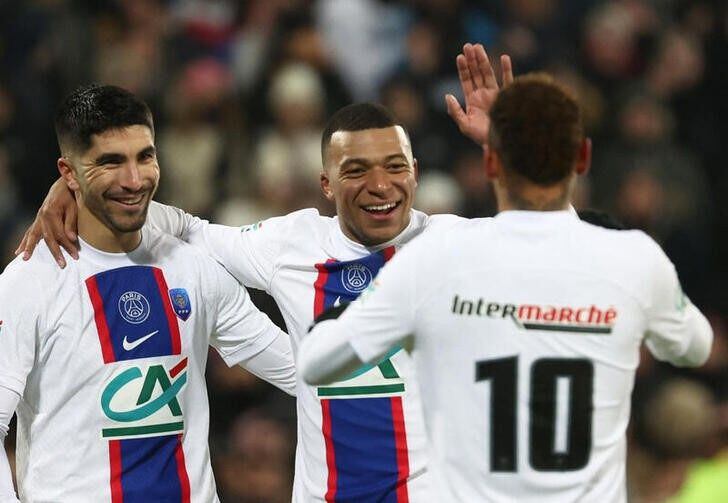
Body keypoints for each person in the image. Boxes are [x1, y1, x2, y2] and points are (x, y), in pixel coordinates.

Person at [15, 44, 513, 502]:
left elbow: (561, 245)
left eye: (394, 167)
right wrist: (77, 190)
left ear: (416, 172)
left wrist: (509, 149)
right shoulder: (288, 246)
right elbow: (188, 226)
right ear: (326, 184)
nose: (380, 186)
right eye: (357, 171)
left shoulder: (455, 244)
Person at [297, 73, 714, 502]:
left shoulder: (435, 258)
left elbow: (315, 363)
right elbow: (695, 347)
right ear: (583, 157)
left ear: (491, 162)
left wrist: (347, 309)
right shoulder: (634, 259)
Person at [0, 84, 296, 502]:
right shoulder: (30, 281)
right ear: (68, 174)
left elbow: (299, 370)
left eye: (145, 156)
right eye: (111, 162)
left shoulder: (192, 267)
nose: (135, 179)